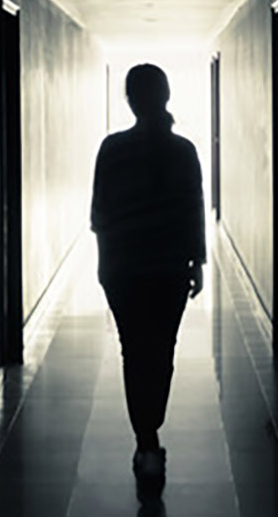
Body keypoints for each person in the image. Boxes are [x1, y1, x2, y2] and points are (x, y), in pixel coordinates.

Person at [90, 63, 206, 481]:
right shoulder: (183, 150)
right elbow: (194, 209)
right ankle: (150, 428)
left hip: (123, 268)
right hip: (168, 267)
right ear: (166, 96)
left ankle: (145, 436)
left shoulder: (112, 148)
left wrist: (106, 267)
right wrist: (198, 263)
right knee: (162, 349)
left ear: (130, 100)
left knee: (133, 350)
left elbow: (99, 213)